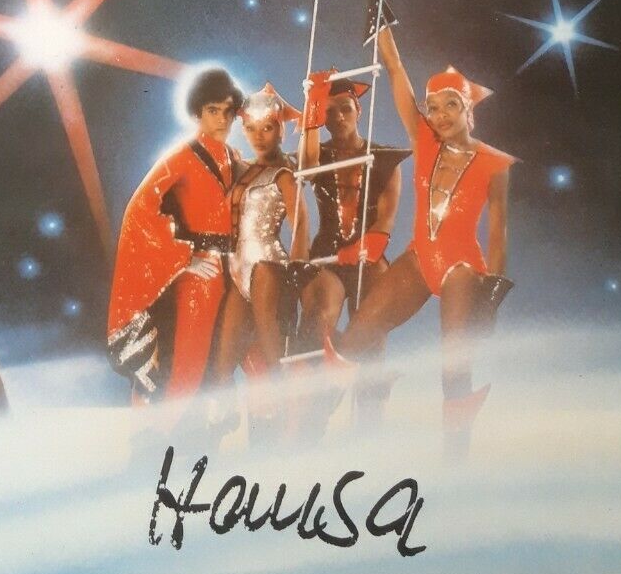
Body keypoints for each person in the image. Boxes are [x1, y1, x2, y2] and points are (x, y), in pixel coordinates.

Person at [339, 22, 516, 437]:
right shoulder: (424, 142)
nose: (440, 115)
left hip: (462, 270)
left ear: (468, 110)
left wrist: (490, 300)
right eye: (432, 108)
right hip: (419, 259)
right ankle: (369, 391)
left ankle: (456, 457)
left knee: (453, 372)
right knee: (355, 338)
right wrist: (381, 21)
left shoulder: (495, 163)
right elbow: (395, 68)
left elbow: (498, 233)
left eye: (450, 105)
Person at [107, 66, 243, 401]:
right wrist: (184, 257)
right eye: (213, 110)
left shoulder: (234, 157)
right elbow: (139, 209)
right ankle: (162, 427)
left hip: (235, 269)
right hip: (203, 274)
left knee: (232, 358)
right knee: (187, 365)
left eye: (228, 111)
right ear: (198, 112)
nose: (222, 119)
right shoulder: (182, 156)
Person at [296, 74, 409, 352]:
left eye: (345, 108)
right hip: (326, 252)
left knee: (373, 328)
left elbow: (385, 221)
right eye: (329, 111)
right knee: (318, 319)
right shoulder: (317, 154)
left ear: (358, 110)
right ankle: (322, 373)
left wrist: (365, 247)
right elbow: (307, 168)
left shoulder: (385, 158)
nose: (338, 117)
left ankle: (366, 376)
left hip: (368, 252)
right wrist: (313, 105)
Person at [211, 84, 309, 382]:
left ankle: (292, 401)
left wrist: (297, 268)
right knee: (223, 363)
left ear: (280, 131)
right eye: (251, 128)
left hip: (268, 267)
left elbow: (301, 224)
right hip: (237, 272)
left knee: (272, 348)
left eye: (267, 128)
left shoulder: (284, 174)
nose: (259, 136)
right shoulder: (239, 168)